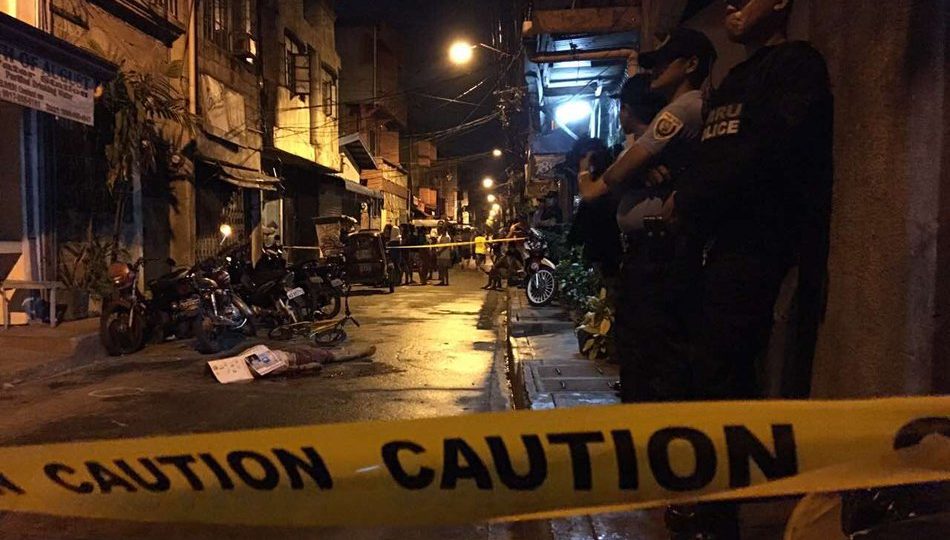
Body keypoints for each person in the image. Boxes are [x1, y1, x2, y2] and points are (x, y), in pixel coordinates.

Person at [660, 1, 833, 538]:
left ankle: (720, 513)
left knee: (729, 378)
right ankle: (708, 502)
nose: (731, 6)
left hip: (757, 253)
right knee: (701, 377)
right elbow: (712, 160)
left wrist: (696, 197)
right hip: (709, 254)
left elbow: (759, 159)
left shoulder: (795, 67)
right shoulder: (735, 78)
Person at [581, 28, 716, 404]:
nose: (655, 72)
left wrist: (632, 168)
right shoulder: (687, 108)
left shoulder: (681, 109)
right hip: (654, 252)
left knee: (650, 349)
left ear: (690, 65)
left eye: (664, 63)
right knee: (647, 347)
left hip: (660, 252)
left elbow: (613, 175)